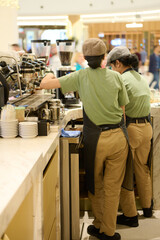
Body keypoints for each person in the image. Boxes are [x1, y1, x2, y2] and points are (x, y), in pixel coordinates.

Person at [40, 38, 133, 240]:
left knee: (95, 183)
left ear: (85, 57)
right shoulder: (117, 77)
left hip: (96, 138)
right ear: (103, 58)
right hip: (118, 136)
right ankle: (107, 230)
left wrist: (47, 70)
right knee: (112, 186)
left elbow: (44, 84)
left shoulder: (80, 76)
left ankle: (98, 225)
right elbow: (123, 112)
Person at [107, 46, 153, 228]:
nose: (111, 70)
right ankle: (148, 208)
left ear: (118, 63)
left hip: (132, 129)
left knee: (125, 173)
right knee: (143, 169)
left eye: (111, 66)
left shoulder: (121, 79)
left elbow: (119, 110)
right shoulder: (140, 77)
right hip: (146, 128)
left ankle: (130, 215)